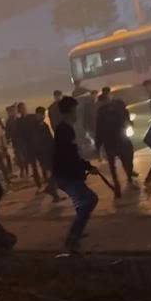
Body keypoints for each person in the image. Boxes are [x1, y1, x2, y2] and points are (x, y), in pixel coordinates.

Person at [53, 96, 99, 253]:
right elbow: (68, 156)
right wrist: (85, 168)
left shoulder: (65, 129)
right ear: (69, 111)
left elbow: (72, 155)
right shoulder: (64, 130)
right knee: (89, 200)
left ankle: (77, 232)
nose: (77, 114)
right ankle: (73, 237)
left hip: (67, 174)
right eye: (75, 110)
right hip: (66, 175)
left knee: (81, 202)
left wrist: (87, 166)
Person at [95, 93, 136, 198]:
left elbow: (99, 129)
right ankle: (128, 178)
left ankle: (117, 184)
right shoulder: (115, 108)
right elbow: (124, 120)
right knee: (125, 160)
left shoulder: (101, 112)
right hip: (119, 139)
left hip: (110, 141)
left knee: (113, 165)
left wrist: (98, 145)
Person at [16, 102, 42, 189]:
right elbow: (19, 136)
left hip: (37, 144)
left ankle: (46, 181)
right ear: (19, 110)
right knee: (34, 166)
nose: (23, 110)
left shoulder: (32, 117)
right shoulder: (19, 121)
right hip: (29, 147)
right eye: (21, 108)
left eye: (24, 108)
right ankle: (39, 184)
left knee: (43, 163)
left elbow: (40, 128)